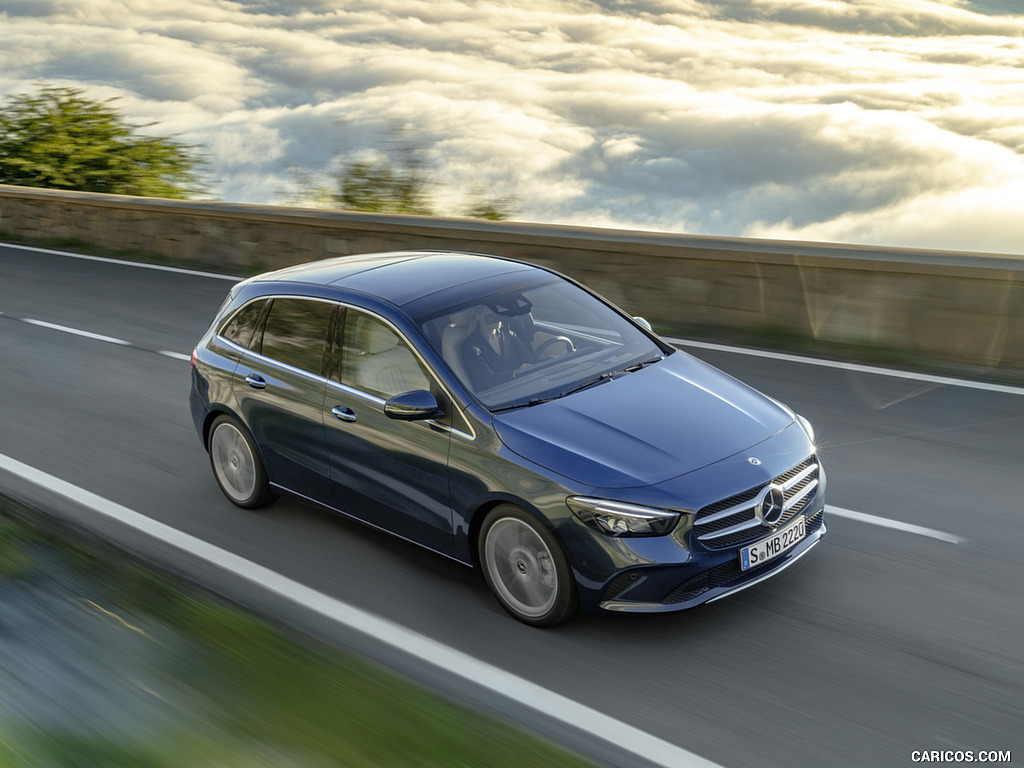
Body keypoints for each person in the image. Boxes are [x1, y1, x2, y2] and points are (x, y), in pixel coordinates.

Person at [460, 308, 533, 391]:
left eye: (498, 310)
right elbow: (488, 379)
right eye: (490, 312)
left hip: (520, 387)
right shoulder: (470, 346)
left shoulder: (508, 336)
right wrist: (516, 373)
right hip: (495, 396)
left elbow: (529, 359)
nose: (496, 315)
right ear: (478, 316)